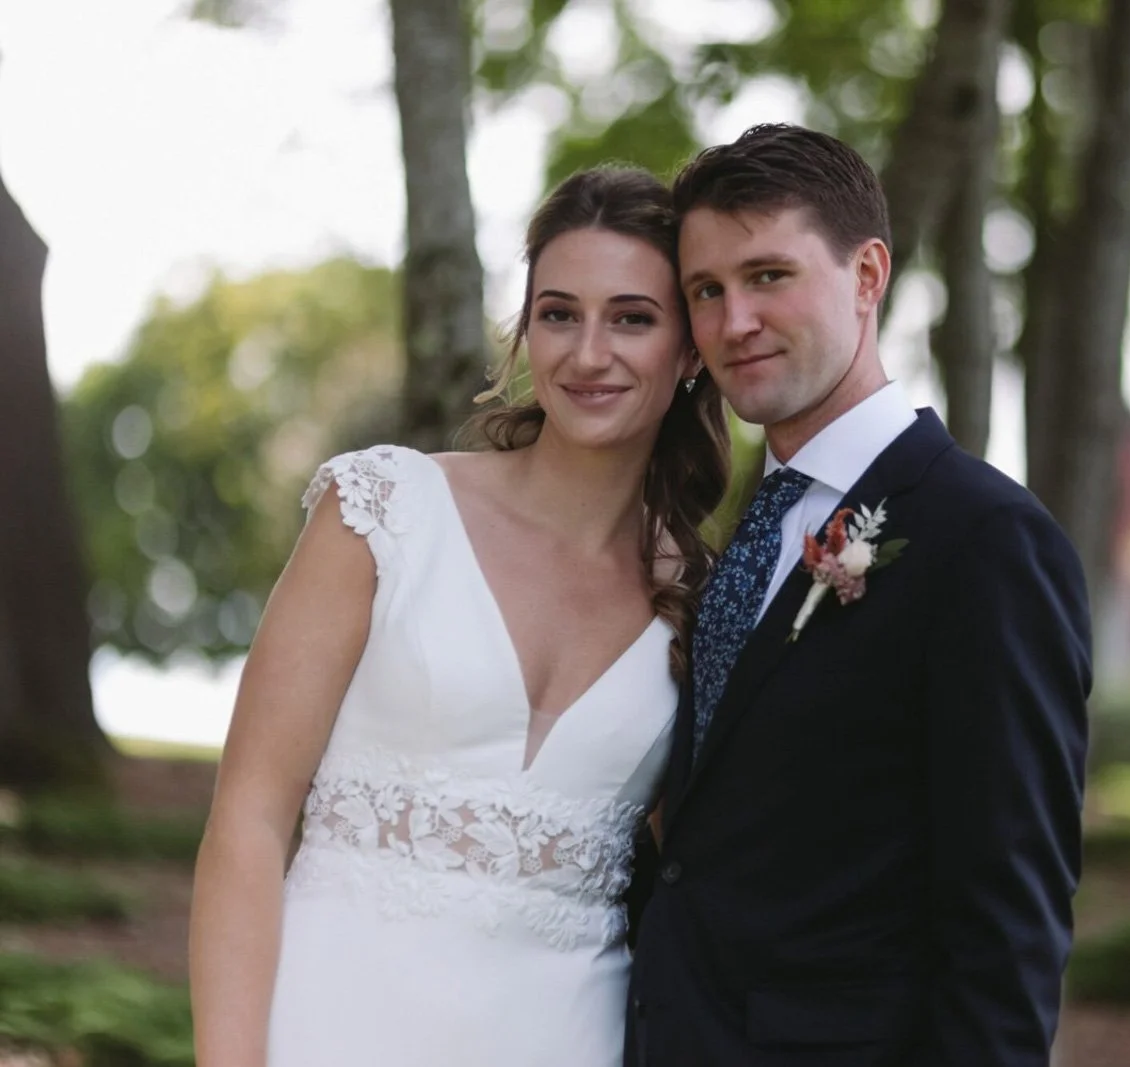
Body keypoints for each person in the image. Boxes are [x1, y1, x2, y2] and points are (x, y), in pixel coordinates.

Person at [188, 166, 729, 1067]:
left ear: (691, 350)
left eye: (632, 317)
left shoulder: (700, 597)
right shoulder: (384, 510)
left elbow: (704, 876)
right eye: (559, 314)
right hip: (325, 1025)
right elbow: (247, 818)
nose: (588, 353)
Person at [626, 124, 1092, 1067]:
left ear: (868, 275)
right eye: (705, 291)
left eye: (768, 276)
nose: (733, 322)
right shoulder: (734, 533)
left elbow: (1007, 924)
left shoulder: (985, 540)